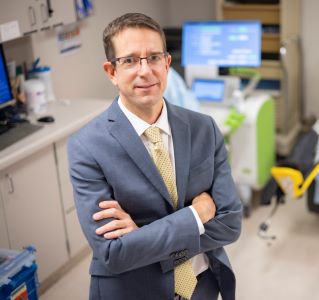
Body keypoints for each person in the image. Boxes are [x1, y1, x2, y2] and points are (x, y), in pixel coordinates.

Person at [68, 13, 242, 300]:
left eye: (153, 58)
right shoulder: (87, 147)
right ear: (111, 72)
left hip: (204, 286)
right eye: (130, 60)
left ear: (167, 64)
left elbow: (230, 223)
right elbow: (114, 253)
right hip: (133, 292)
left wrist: (141, 236)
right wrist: (195, 215)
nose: (145, 70)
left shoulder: (203, 128)